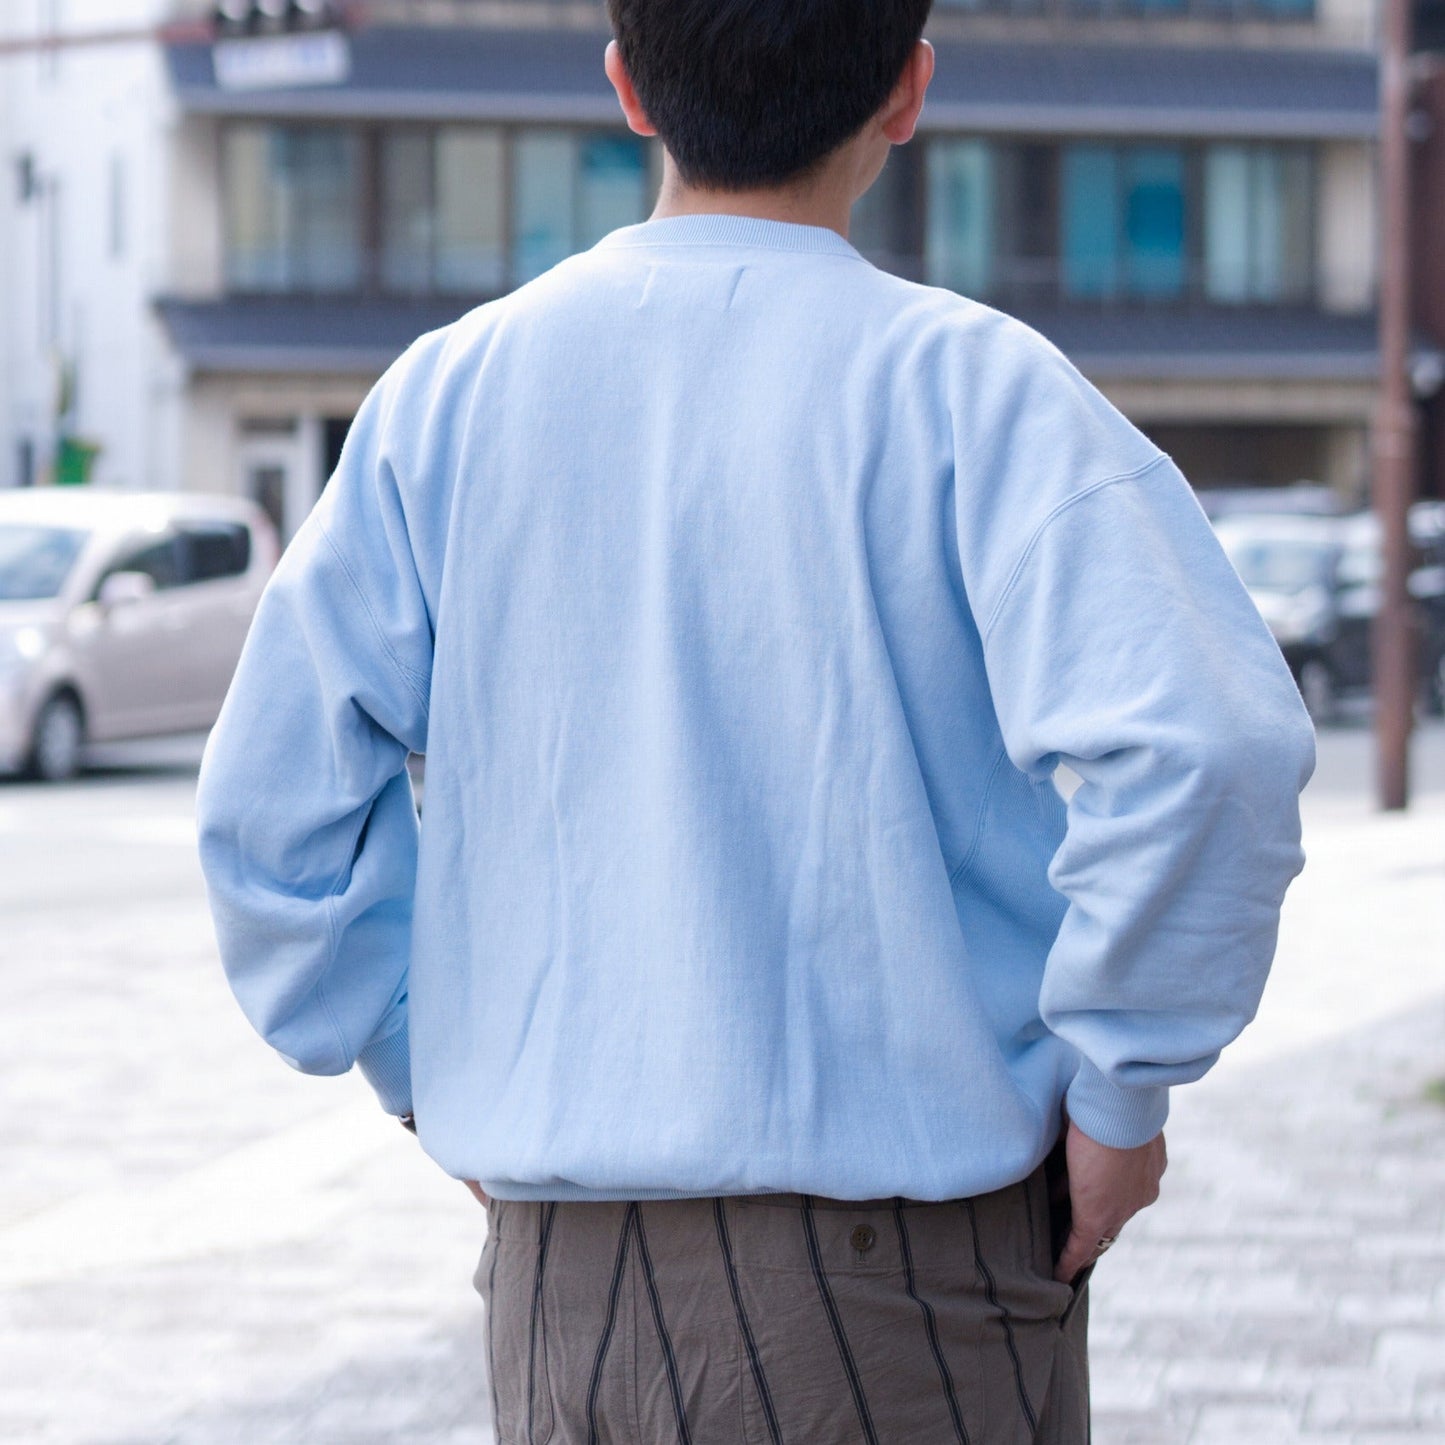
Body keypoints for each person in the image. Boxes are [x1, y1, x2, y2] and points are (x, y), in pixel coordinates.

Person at [195, 0, 1316, 1439]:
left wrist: (425, 1065)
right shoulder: (977, 388)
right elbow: (1205, 746)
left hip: (559, 1288)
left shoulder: (444, 398)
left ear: (625, 88)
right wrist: (1120, 1085)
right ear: (907, 93)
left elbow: (270, 820)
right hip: (898, 1274)